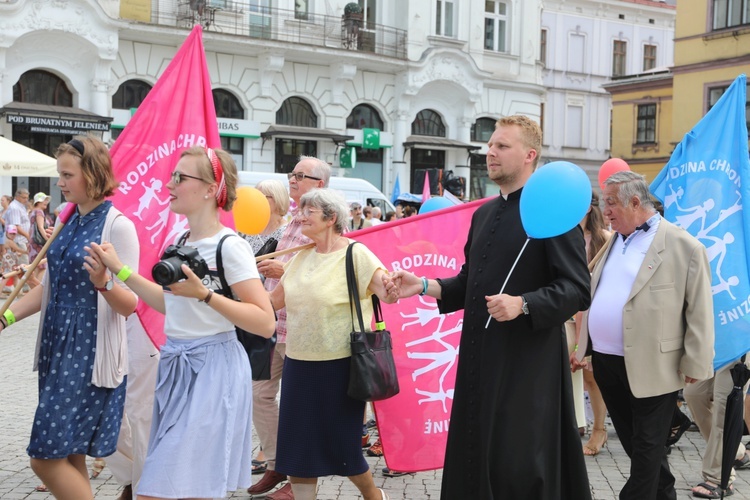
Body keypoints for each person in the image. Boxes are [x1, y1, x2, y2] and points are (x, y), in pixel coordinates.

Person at [387, 115, 592, 499]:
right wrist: (425, 285)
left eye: (502, 146)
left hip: (527, 365)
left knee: (520, 463)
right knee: (475, 452)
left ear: (529, 155)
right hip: (480, 359)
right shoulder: (482, 214)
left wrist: (524, 303)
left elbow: (577, 290)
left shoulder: (553, 213)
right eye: (491, 145)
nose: (490, 153)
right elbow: (471, 282)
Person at [89, 146, 275, 499]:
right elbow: (169, 304)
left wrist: (204, 294)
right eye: (173, 175)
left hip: (213, 371)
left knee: (160, 487)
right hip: (177, 368)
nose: (169, 183)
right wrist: (119, 270)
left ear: (210, 188)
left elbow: (264, 322)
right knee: (186, 488)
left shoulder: (230, 246)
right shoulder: (180, 241)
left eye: (181, 177)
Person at [0, 136, 139, 499]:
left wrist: (104, 283)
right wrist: (7, 317)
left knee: (44, 457)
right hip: (56, 345)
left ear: (92, 174)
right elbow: (48, 288)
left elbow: (131, 305)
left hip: (90, 352)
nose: (59, 183)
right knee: (69, 452)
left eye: (67, 174)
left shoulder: (117, 225)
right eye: (59, 174)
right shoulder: (67, 221)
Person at [573, 170, 715, 500]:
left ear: (635, 202)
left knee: (648, 448)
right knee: (637, 444)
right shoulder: (614, 240)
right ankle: (665, 493)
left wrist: (696, 361)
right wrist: (584, 347)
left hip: (654, 365)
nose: (603, 210)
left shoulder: (683, 244)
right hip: (608, 363)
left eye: (610, 203)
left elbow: (699, 309)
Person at [269, 188, 397, 500]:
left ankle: (374, 497)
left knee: (344, 449)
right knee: (296, 449)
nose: (300, 217)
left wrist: (393, 288)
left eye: (308, 212)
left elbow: (388, 292)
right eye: (301, 211)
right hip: (299, 365)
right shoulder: (299, 257)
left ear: (331, 218)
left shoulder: (357, 254)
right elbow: (273, 302)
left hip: (342, 366)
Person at [249, 156, 330, 499]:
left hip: (303, 326)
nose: (292, 179)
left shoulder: (328, 221)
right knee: (260, 394)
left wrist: (283, 273)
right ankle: (277, 463)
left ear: (320, 184)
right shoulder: (295, 220)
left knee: (301, 405)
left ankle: (299, 483)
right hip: (275, 322)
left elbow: (330, 274)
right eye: (291, 174)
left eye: (300, 175)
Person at [571, 192, 613, 456]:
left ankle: (599, 429)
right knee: (566, 373)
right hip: (563, 316)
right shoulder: (560, 236)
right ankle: (573, 425)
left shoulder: (605, 239)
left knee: (590, 376)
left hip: (591, 315)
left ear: (587, 207)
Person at [105, 315, 160, 500]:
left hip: (142, 324)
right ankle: (129, 478)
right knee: (103, 417)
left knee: (142, 416)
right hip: (102, 326)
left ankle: (143, 491)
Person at [684, 357, 750, 498]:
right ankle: (735, 449)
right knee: (694, 394)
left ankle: (719, 478)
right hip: (715, 345)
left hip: (740, 346)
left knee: (725, 410)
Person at [242, 179, 289, 257]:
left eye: (261, 196)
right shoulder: (251, 228)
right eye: (255, 196)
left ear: (278, 199)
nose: (256, 200)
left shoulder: (286, 232)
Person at [28, 192, 52, 284]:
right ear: (38, 202)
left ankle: (33, 290)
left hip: (33, 243)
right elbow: (41, 228)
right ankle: (37, 290)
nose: (46, 202)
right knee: (43, 266)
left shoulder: (32, 211)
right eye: (43, 200)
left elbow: (31, 229)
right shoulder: (39, 212)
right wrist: (48, 240)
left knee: (35, 267)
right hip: (40, 243)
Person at [4, 188, 31, 267]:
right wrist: (28, 236)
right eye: (23, 198)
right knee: (23, 267)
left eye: (27, 198)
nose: (26, 200)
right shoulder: (15, 207)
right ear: (17, 197)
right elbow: (16, 227)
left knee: (22, 266)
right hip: (18, 241)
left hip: (21, 240)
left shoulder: (20, 206)